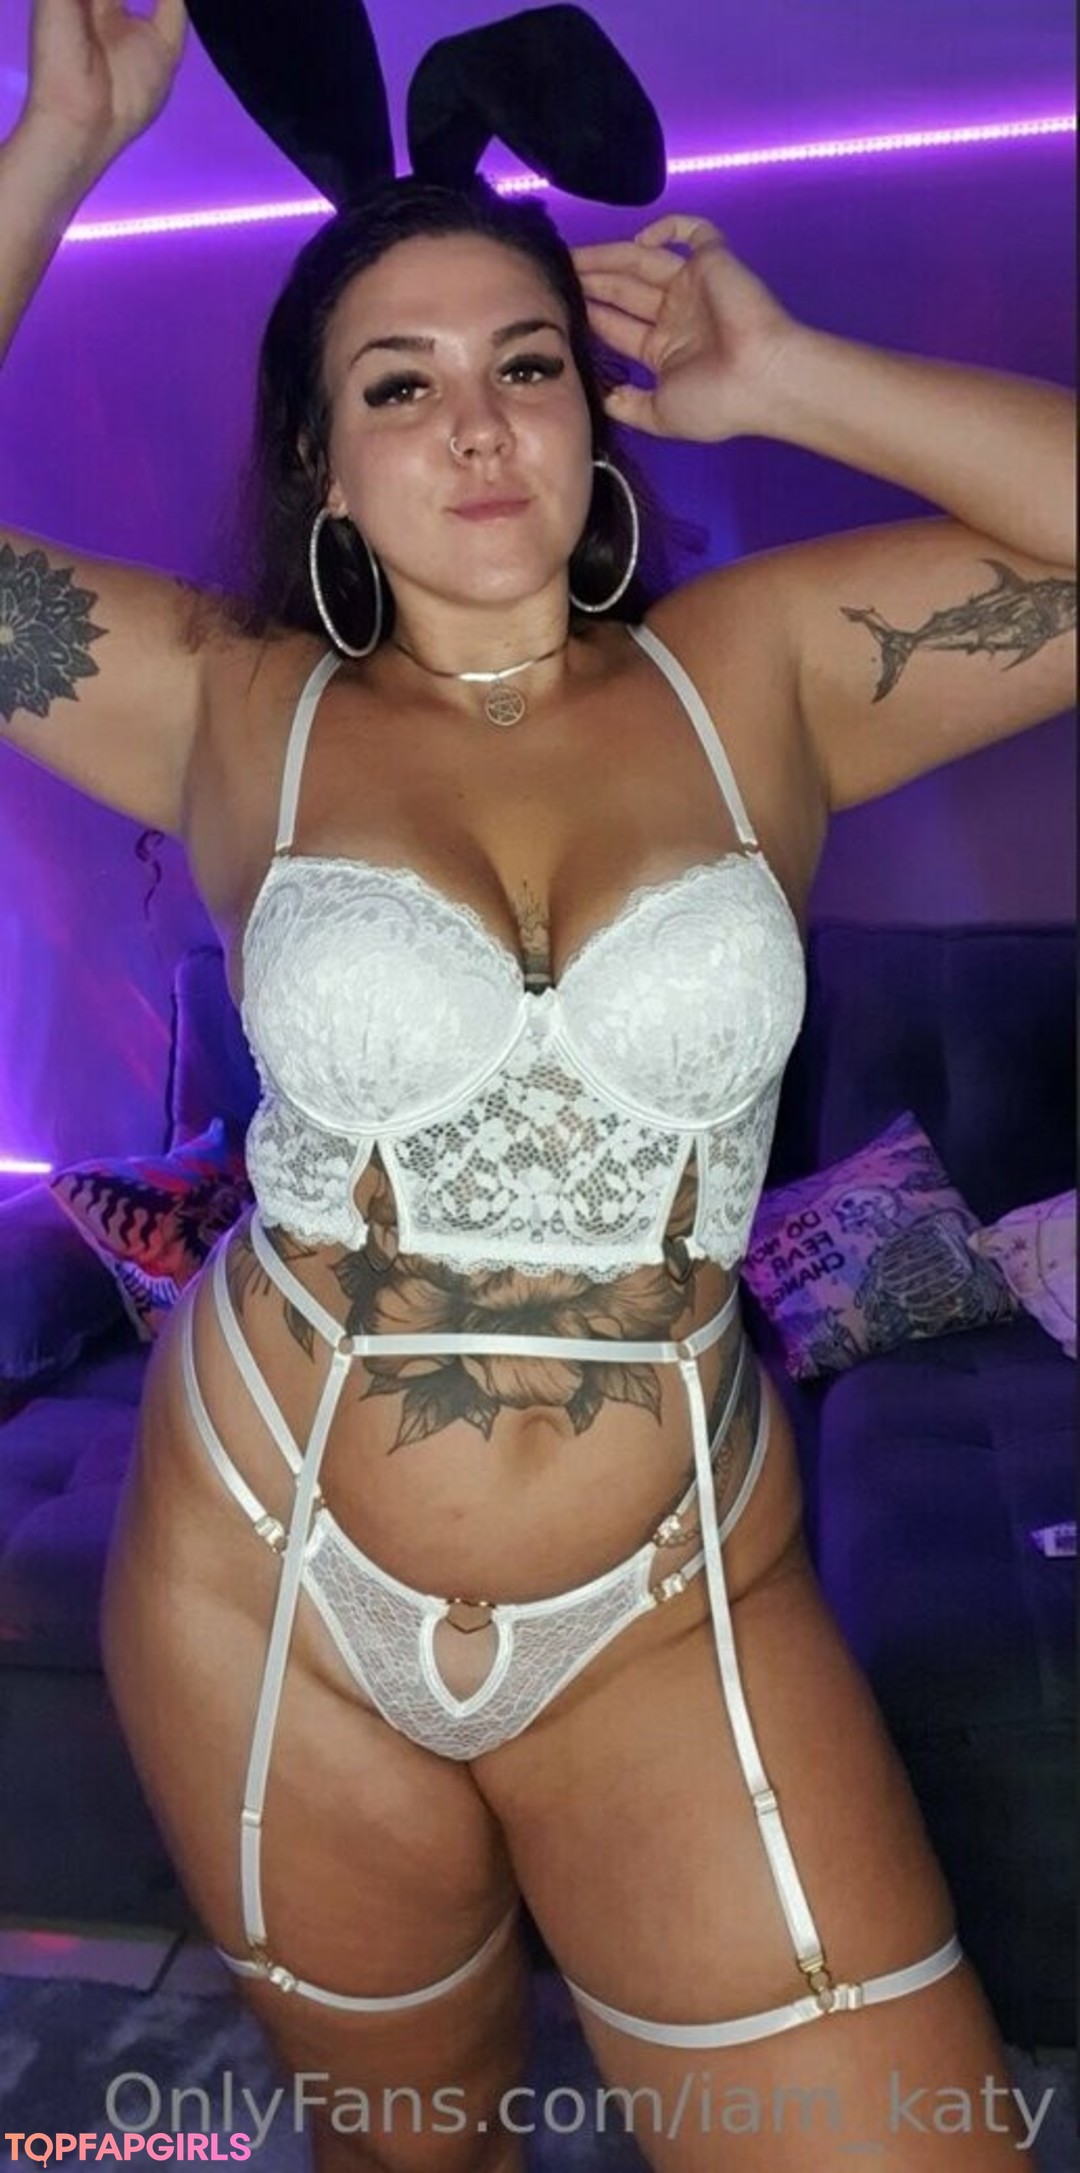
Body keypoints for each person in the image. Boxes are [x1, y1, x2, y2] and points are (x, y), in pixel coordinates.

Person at [1, 4, 1074, 2169]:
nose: (478, 424)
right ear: (323, 461)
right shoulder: (228, 708)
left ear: (597, 409)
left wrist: (794, 376)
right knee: (417, 2148)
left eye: (526, 362)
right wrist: (57, 144)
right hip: (262, 1578)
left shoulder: (757, 673)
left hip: (672, 1602)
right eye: (399, 384)